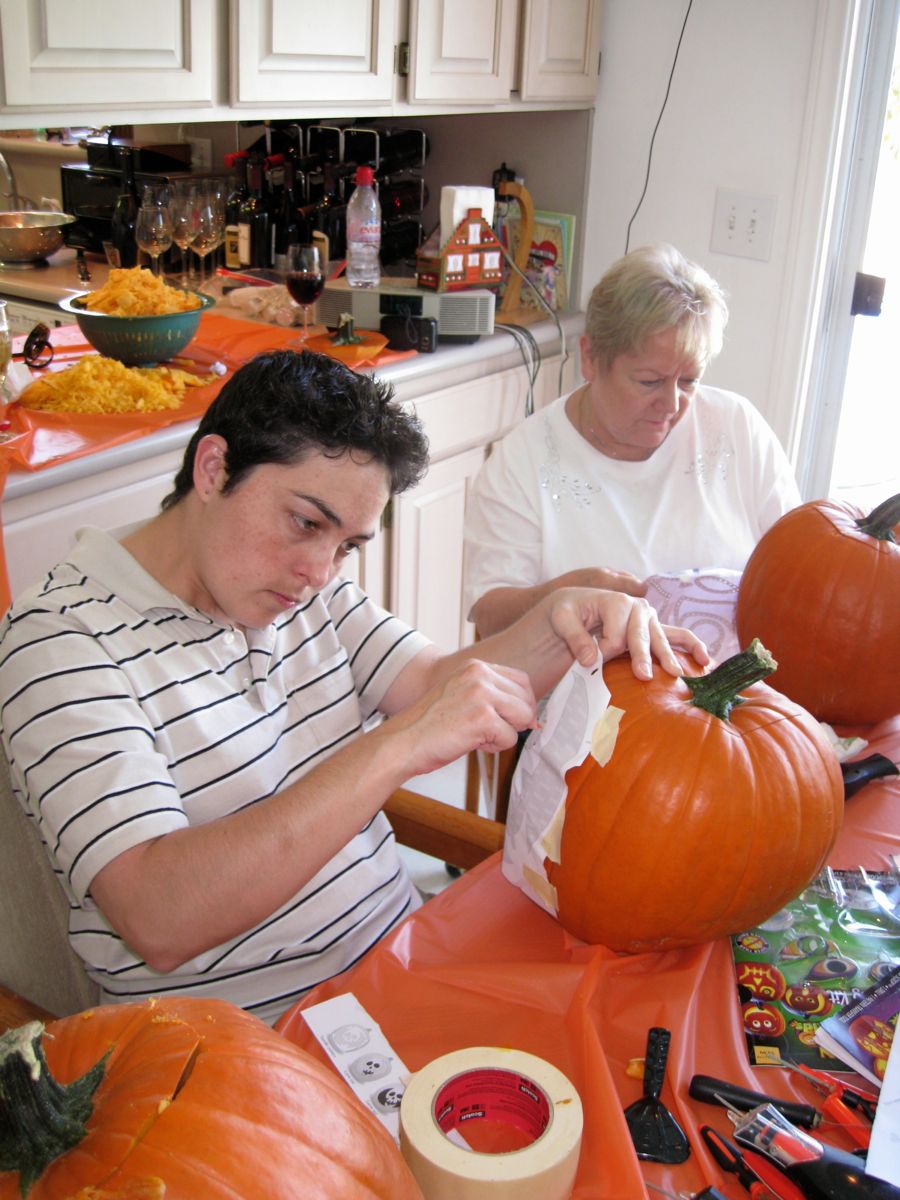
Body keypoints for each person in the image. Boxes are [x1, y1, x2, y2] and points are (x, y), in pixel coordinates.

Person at [0, 349, 706, 1025]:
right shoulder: (61, 643)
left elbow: (433, 681)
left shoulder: (297, 588)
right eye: (305, 523)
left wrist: (567, 621)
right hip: (240, 1053)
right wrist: (399, 745)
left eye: (346, 546)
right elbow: (158, 916)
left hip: (396, 972)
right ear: (213, 469)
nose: (320, 570)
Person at [463, 243, 802, 641]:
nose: (673, 403)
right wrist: (561, 596)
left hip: (736, 693)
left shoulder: (736, 427)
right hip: (595, 699)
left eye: (690, 380)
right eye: (649, 381)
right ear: (590, 358)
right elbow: (490, 621)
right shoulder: (522, 462)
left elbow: (796, 572)